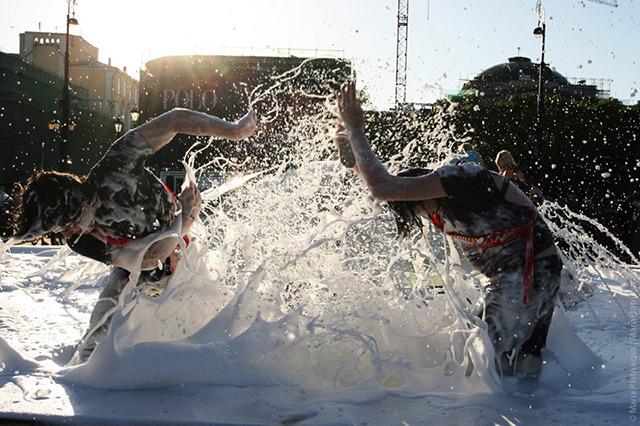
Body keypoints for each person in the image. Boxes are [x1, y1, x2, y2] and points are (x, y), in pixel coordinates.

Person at [336, 82, 561, 376]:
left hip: (533, 271)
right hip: (514, 276)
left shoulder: (461, 179)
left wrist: (356, 130)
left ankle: (491, 413)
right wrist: (352, 160)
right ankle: (532, 409)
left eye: (416, 206)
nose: (425, 216)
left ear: (419, 188)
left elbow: (384, 186)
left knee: (485, 351)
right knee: (498, 347)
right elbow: (382, 189)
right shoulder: (436, 206)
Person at [12, 107, 257, 360]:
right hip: (157, 255)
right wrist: (186, 217)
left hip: (188, 251)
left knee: (215, 313)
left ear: (77, 203)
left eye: (65, 226)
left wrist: (233, 131)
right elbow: (148, 260)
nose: (66, 236)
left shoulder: (116, 169)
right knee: (106, 311)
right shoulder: (80, 240)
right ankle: (86, 366)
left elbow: (174, 120)